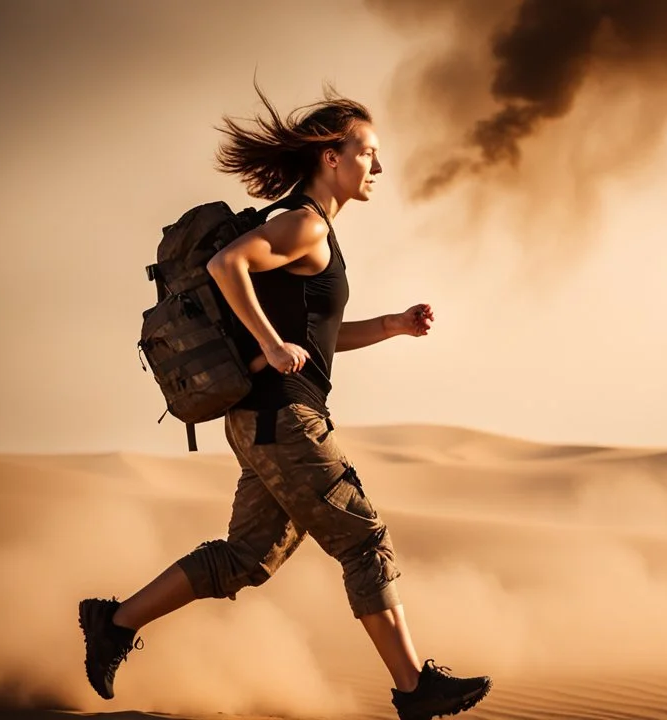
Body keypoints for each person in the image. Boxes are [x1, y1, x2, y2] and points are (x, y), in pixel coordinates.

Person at [78, 87, 492, 720]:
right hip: (284, 416)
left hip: (266, 418)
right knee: (363, 539)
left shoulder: (311, 229)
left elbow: (318, 337)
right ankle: (414, 689)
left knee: (246, 558)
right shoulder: (304, 224)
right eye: (368, 153)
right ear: (331, 157)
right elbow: (225, 265)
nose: (376, 168)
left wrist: (392, 325)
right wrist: (272, 346)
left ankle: (114, 621)